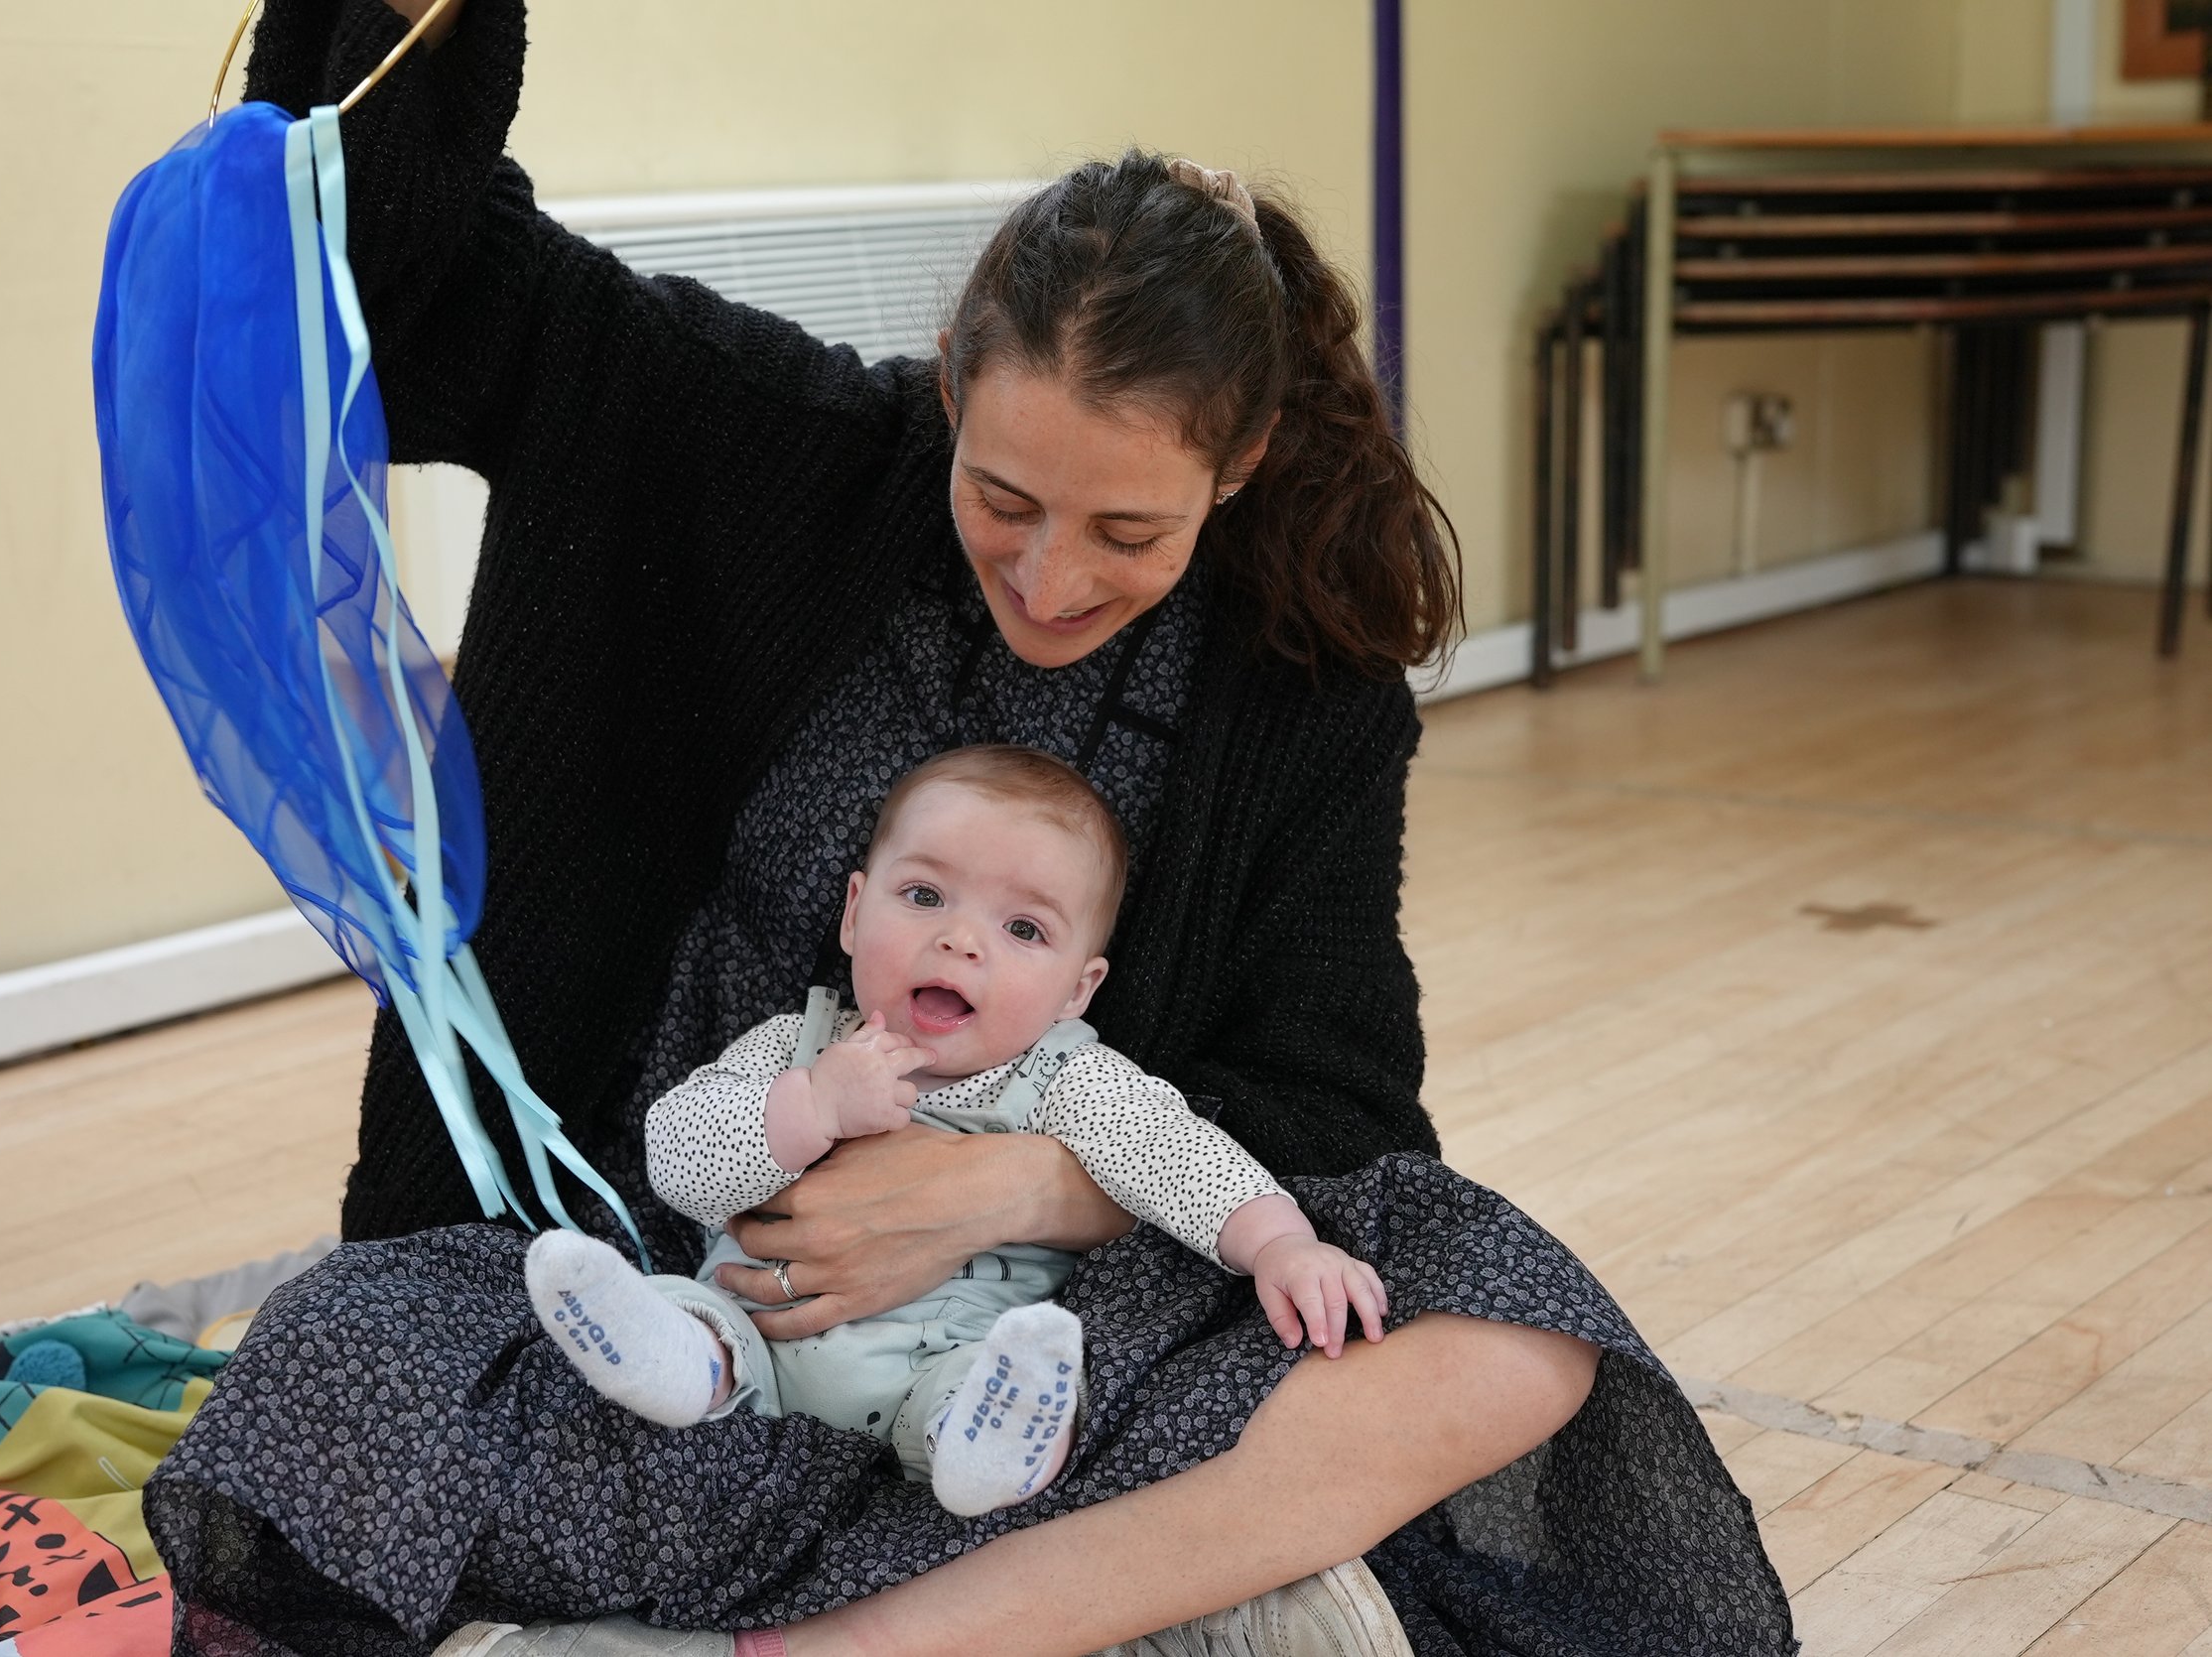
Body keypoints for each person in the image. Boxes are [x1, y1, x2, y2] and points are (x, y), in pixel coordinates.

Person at [144, 2, 1796, 1653]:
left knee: (1512, 1335)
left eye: (1128, 530)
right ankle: (1062, 1603)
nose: (1050, 576)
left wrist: (1017, 1190)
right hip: (666, 1269)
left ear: (1244, 464)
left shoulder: (1303, 691)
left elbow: (1337, 1104)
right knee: (332, 1356)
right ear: (950, 386)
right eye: (1002, 499)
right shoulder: (766, 445)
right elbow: (416, 286)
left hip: (1029, 1346)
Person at [530, 746, 1389, 1523]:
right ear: (854, 913)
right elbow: (677, 1159)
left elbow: (1180, 1158)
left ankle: (997, 1439)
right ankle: (669, 1361)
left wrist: (1281, 1245)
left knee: (988, 1383)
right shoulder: (796, 1048)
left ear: (1076, 990)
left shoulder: (1068, 1081)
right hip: (752, 1338)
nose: (959, 938)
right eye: (925, 895)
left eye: (1024, 930)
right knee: (699, 1316)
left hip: (940, 1365)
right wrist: (811, 1109)